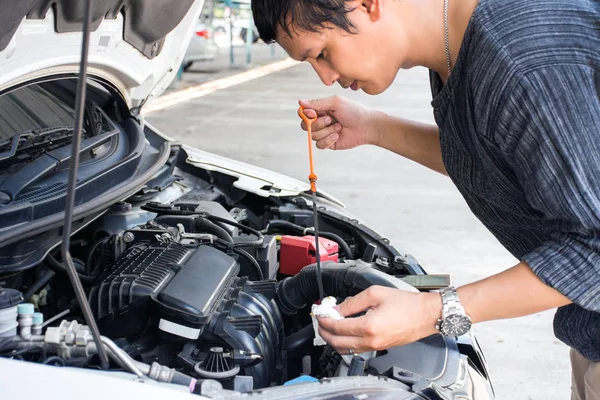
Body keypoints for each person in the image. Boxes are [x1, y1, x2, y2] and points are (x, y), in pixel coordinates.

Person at [250, 0, 600, 398]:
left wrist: (432, 312)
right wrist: (374, 128)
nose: (326, 77)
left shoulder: (520, 58)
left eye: (323, 54)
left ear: (366, 4)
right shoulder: (458, 47)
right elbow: (506, 158)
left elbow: (595, 249)